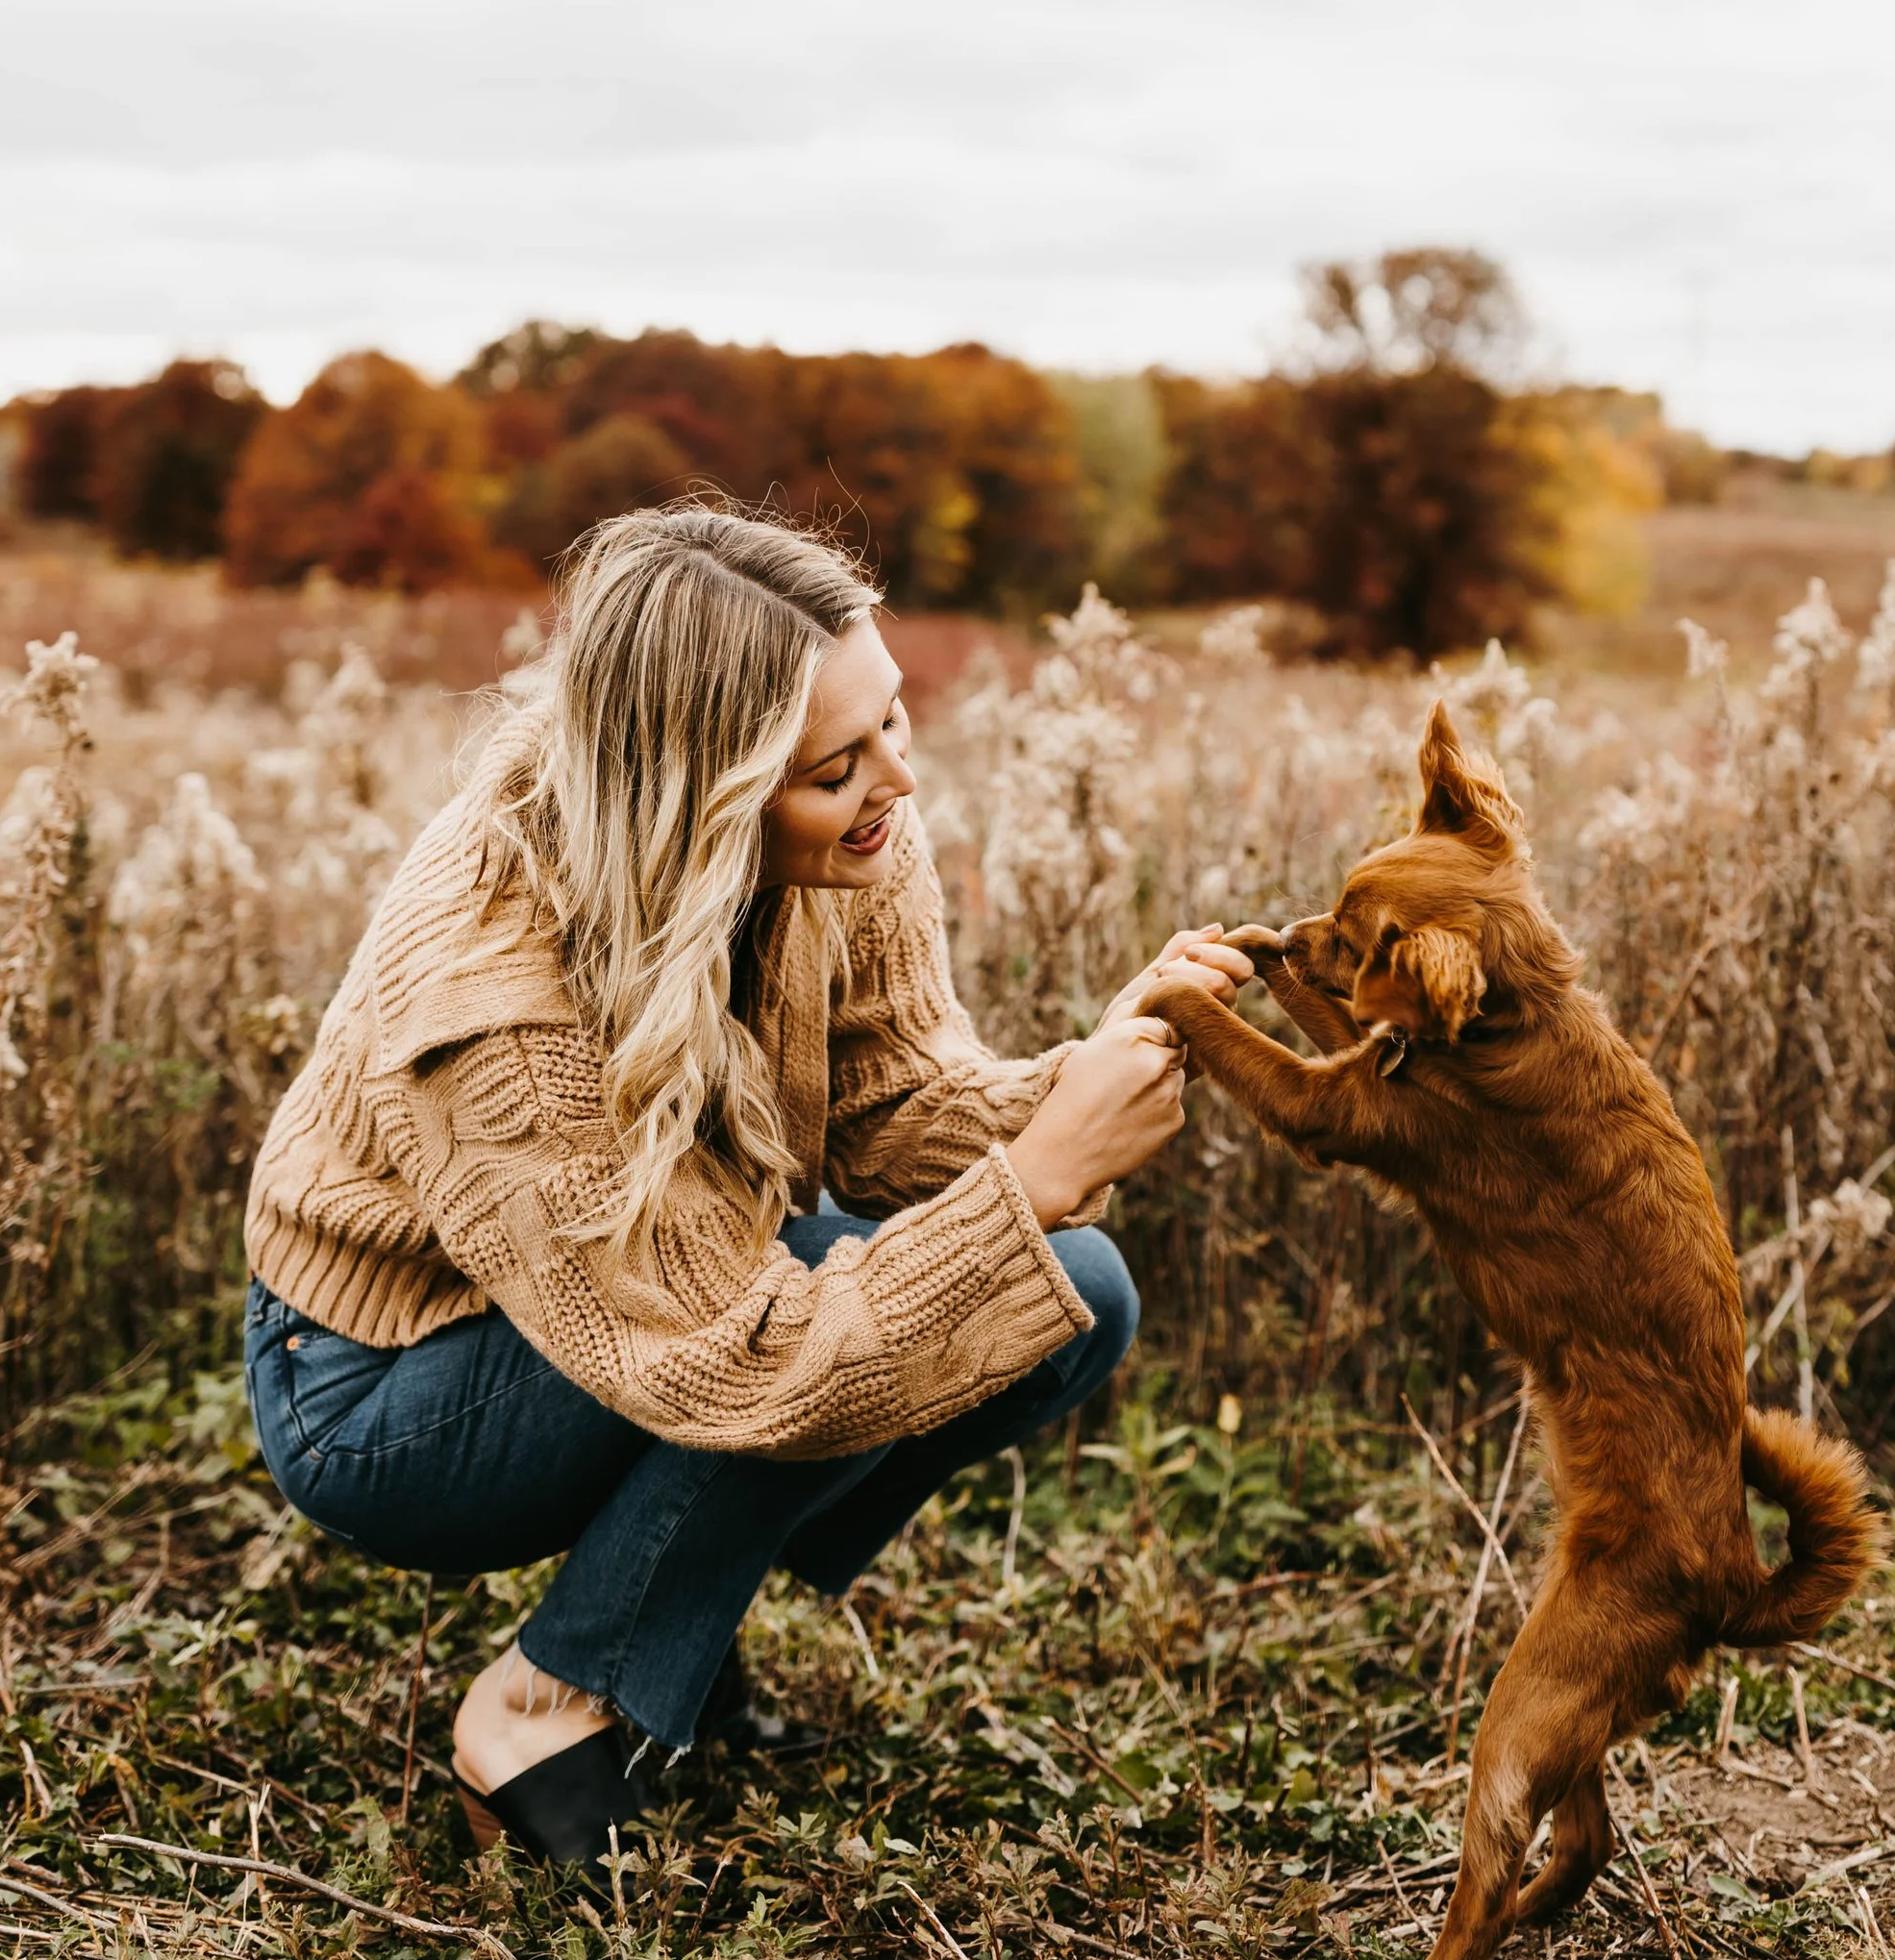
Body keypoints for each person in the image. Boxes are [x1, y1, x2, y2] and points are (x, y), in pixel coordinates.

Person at [241, 505, 1250, 1864]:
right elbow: (741, 1359)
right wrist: (1042, 1170)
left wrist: (1082, 1082)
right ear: (706, 794)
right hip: (390, 1385)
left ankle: (671, 1625)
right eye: (841, 762)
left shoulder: (849, 826)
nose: (898, 775)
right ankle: (540, 1703)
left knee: (1071, 1289)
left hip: (669, 1275)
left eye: (893, 718)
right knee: (862, 1315)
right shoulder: (491, 1001)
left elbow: (894, 1111)